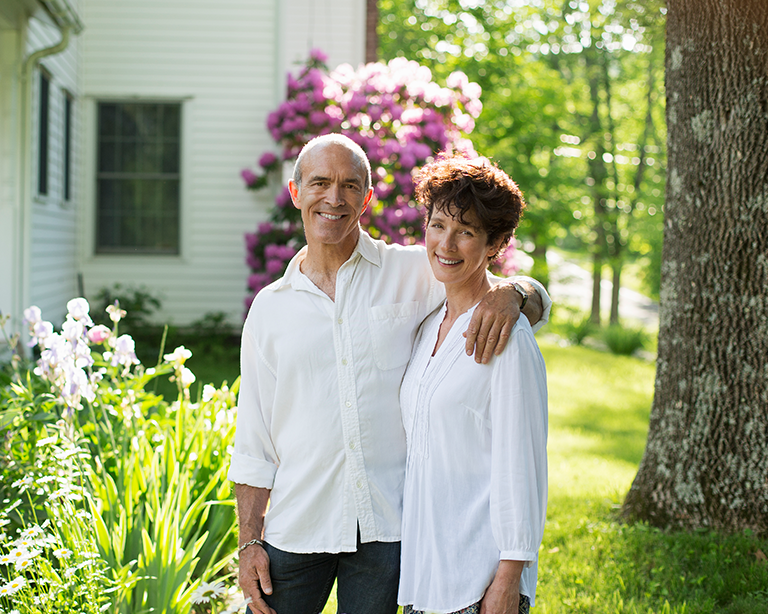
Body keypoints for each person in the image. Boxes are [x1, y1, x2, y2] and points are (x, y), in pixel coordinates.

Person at [227, 134, 551, 614]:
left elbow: (497, 283)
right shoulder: (269, 310)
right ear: (296, 193)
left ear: (367, 198)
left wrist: (516, 292)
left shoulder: (416, 271)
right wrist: (249, 542)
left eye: (349, 185)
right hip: (298, 526)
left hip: (388, 533)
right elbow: (253, 441)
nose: (333, 198)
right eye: (319, 182)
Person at [398, 154, 548, 614]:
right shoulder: (427, 325)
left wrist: (509, 578)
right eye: (438, 224)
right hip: (423, 575)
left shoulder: (508, 337)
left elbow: (522, 465)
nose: (447, 243)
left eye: (466, 231)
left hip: (478, 582)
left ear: (495, 244)